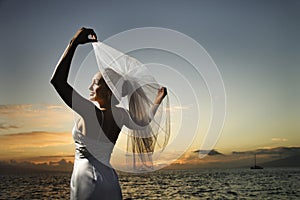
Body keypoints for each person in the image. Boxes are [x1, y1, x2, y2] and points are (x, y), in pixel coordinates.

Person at [50, 27, 167, 200]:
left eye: (95, 83)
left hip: (87, 181)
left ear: (109, 91)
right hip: (109, 181)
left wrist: (74, 42)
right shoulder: (121, 116)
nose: (90, 87)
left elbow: (58, 81)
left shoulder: (90, 113)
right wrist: (158, 99)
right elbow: (144, 122)